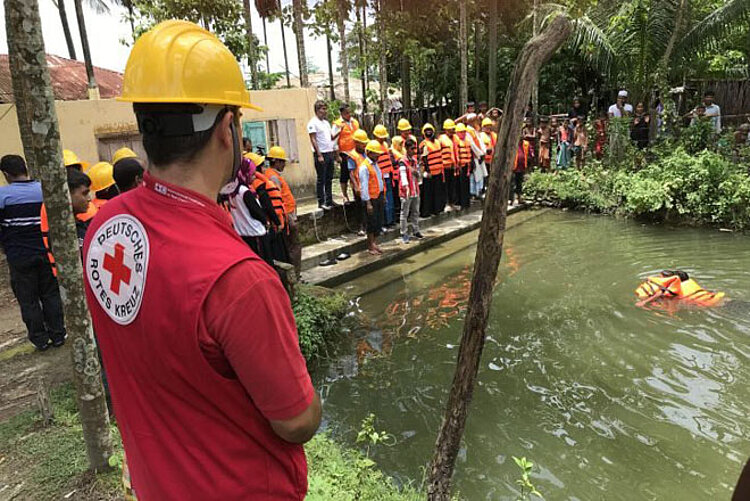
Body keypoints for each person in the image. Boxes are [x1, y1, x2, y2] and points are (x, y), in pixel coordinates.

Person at [82, 21, 320, 500]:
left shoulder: (106, 229)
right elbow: (295, 421)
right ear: (227, 130)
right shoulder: (238, 280)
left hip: (159, 485)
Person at [0, 155, 65, 351]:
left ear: (6, 174)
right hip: (47, 253)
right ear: (25, 169)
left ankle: (40, 340)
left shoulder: (2, 196)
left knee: (28, 300)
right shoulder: (44, 191)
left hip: (19, 257)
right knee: (51, 294)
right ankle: (58, 335)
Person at [221, 155, 275, 265]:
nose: (254, 176)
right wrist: (266, 221)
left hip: (242, 233)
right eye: (252, 173)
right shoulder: (245, 192)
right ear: (245, 173)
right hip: (255, 233)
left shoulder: (232, 191)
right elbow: (256, 211)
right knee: (264, 264)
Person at [265, 146, 301, 277]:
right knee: (294, 246)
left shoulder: (271, 175)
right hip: (286, 216)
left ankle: (294, 275)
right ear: (277, 162)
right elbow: (277, 200)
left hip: (287, 215)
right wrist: (287, 218)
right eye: (283, 162)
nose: (285, 164)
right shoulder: (273, 177)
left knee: (291, 246)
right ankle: (296, 276)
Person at [250, 153, 290, 265]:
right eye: (262, 166)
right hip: (271, 224)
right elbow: (267, 205)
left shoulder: (255, 184)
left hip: (272, 222)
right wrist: (276, 222)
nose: (264, 168)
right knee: (278, 254)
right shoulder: (259, 185)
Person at [307, 100, 336, 210]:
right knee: (321, 179)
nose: (325, 111)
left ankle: (329, 200)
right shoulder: (312, 123)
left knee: (329, 178)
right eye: (323, 109)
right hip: (321, 153)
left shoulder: (326, 123)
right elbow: (313, 139)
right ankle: (321, 201)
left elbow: (330, 137)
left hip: (329, 152)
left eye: (325, 109)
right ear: (317, 110)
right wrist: (319, 155)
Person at [360, 140, 385, 255]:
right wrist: (368, 203)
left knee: (377, 222)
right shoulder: (364, 167)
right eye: (376, 153)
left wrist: (383, 195)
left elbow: (380, 180)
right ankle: (370, 246)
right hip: (371, 199)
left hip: (378, 196)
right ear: (369, 153)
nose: (378, 155)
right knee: (371, 223)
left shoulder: (376, 165)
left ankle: (375, 243)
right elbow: (364, 187)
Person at [331, 104, 359, 203]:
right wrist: (337, 155)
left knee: (355, 174)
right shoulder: (338, 124)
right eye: (346, 113)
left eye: (349, 112)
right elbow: (334, 141)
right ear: (342, 113)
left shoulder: (354, 122)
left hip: (355, 152)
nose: (349, 114)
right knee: (345, 174)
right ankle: (344, 195)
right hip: (344, 153)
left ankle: (356, 193)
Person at [399, 138, 423, 243]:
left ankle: (415, 230)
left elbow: (418, 176)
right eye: (412, 148)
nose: (414, 151)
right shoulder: (402, 161)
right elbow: (403, 175)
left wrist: (419, 173)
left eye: (415, 148)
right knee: (405, 213)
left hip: (415, 190)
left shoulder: (415, 160)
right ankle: (404, 233)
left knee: (416, 212)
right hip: (406, 192)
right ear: (407, 149)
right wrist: (407, 187)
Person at [373, 125, 397, 227]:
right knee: (383, 200)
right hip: (380, 177)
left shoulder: (386, 145)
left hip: (388, 175)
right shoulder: (373, 146)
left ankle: (391, 220)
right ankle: (384, 222)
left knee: (390, 199)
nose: (383, 138)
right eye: (381, 136)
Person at [419, 123, 444, 217]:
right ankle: (426, 212)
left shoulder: (437, 142)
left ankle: (437, 210)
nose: (428, 132)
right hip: (429, 173)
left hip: (438, 171)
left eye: (430, 130)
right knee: (428, 193)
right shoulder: (424, 144)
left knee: (437, 192)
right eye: (426, 130)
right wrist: (427, 170)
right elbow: (424, 158)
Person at [67, 169, 93, 249]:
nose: (89, 199)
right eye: (84, 193)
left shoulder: (82, 226)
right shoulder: (62, 233)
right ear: (67, 194)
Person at [465, 114, 487, 199]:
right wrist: (480, 154)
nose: (477, 121)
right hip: (475, 156)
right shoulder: (468, 131)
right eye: (475, 120)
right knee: (475, 176)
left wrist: (483, 153)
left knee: (481, 175)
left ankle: (479, 191)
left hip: (480, 155)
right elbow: (472, 144)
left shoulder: (475, 130)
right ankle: (474, 193)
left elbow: (480, 142)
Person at [438, 119, 457, 210]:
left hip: (453, 166)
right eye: (450, 130)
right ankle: (446, 204)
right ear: (445, 130)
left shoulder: (454, 138)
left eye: (452, 130)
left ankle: (452, 203)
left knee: (452, 185)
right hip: (444, 166)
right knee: (445, 186)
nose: (451, 132)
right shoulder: (441, 139)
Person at [453, 123, 472, 209]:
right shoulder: (456, 142)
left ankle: (466, 203)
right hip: (460, 166)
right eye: (461, 132)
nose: (463, 133)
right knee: (459, 185)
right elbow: (456, 154)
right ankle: (460, 202)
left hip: (467, 166)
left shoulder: (467, 141)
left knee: (466, 185)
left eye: (464, 132)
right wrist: (458, 165)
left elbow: (469, 153)